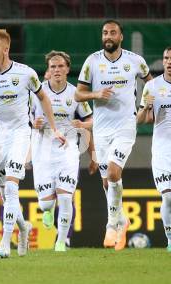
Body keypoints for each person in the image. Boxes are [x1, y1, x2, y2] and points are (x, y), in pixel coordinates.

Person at [0, 29, 65, 258]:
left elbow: (44, 98)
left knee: (11, 187)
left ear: (5, 49)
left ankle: (4, 244)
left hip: (21, 134)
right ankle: (23, 228)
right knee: (6, 194)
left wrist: (55, 127)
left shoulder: (25, 74)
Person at [75, 19, 152, 251]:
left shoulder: (135, 61)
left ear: (121, 37)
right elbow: (79, 95)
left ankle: (111, 224)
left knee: (113, 171)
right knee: (108, 183)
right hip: (101, 128)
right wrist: (97, 93)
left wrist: (145, 107)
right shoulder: (92, 61)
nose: (108, 36)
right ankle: (122, 219)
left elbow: (151, 85)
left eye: (113, 33)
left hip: (126, 126)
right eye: (105, 33)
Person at [31, 50, 95, 252]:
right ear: (48, 70)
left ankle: (61, 242)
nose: (57, 70)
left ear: (67, 69)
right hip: (42, 151)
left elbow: (92, 121)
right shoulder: (37, 93)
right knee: (46, 205)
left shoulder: (76, 94)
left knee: (66, 197)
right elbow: (24, 119)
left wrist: (91, 148)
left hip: (68, 150)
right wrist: (35, 123)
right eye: (53, 67)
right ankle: (47, 210)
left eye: (60, 66)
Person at [137, 46, 171, 252]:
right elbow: (141, 120)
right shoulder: (152, 86)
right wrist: (147, 107)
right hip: (162, 151)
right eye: (166, 57)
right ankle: (170, 237)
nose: (169, 61)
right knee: (168, 197)